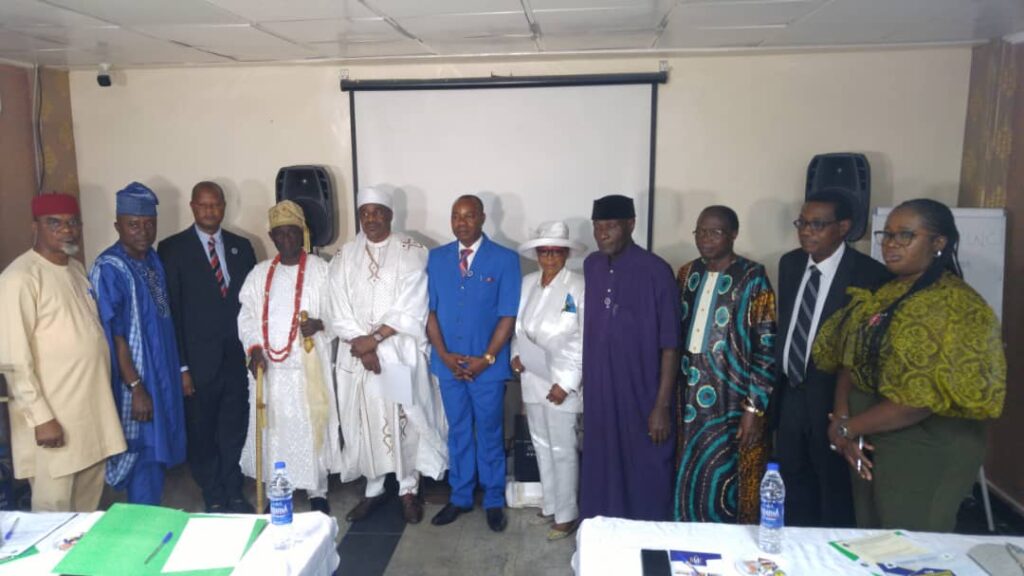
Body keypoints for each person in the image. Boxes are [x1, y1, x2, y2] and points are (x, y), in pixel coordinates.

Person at [814, 198, 1005, 532]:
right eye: (887, 235)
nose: (891, 244)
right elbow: (848, 357)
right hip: (870, 437)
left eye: (905, 235)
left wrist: (848, 429)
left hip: (926, 447)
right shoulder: (884, 292)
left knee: (911, 543)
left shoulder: (955, 305)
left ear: (938, 242)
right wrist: (842, 419)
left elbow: (919, 400)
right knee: (872, 538)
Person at [770, 189, 890, 528]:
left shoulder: (870, 275)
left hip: (835, 399)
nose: (807, 232)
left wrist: (846, 413)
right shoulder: (790, 264)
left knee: (833, 486)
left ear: (843, 227)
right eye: (802, 223)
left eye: (818, 224)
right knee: (792, 480)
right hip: (791, 391)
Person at [0, 194, 126, 512]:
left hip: (90, 416)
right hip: (54, 421)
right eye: (54, 223)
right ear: (35, 226)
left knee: (86, 511)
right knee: (53, 512)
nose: (66, 230)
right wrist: (42, 418)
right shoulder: (19, 278)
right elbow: (13, 360)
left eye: (72, 223)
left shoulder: (76, 269)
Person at [329, 187, 447, 525]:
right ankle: (374, 488)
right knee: (364, 421)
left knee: (403, 420)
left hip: (395, 355)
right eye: (364, 213)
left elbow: (413, 303)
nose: (371, 219)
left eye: (377, 212)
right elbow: (336, 305)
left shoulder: (412, 251)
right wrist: (361, 345)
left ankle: (408, 489)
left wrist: (376, 340)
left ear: (390, 215)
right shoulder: (344, 255)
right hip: (358, 357)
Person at [158, 181, 257, 513]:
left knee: (234, 427)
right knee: (201, 431)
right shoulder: (172, 249)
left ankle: (233, 489)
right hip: (197, 363)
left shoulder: (242, 247)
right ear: (192, 207)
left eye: (215, 204)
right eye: (203, 205)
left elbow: (252, 305)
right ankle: (212, 492)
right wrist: (182, 367)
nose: (210, 211)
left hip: (236, 361)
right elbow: (171, 312)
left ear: (224, 206)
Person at [580, 195, 680, 522]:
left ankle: (647, 540)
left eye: (611, 226)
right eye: (597, 226)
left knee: (646, 469)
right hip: (601, 393)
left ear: (631, 225)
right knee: (601, 466)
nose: (602, 234)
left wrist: (661, 406)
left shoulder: (656, 271)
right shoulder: (592, 266)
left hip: (641, 393)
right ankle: (601, 535)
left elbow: (670, 345)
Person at [238, 200, 341, 515]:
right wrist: (254, 349)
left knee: (312, 428)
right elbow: (247, 317)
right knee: (274, 431)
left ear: (303, 233)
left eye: (292, 232)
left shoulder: (321, 270)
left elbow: (340, 312)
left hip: (308, 370)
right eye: (279, 234)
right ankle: (276, 487)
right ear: (271, 237)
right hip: (271, 371)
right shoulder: (259, 275)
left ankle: (317, 490)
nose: (286, 239)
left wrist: (320, 324)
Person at [674, 205, 776, 524]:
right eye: (700, 231)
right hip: (688, 397)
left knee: (730, 478)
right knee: (689, 473)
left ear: (733, 234)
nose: (705, 238)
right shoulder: (686, 274)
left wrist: (754, 409)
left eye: (715, 232)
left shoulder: (753, 277)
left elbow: (766, 347)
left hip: (732, 400)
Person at [426, 195, 520, 532]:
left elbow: (507, 316)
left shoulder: (505, 260)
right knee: (458, 431)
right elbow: (429, 312)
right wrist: (443, 355)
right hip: (448, 365)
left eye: (468, 216)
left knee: (491, 432)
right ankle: (461, 496)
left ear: (482, 218)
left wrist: (487, 359)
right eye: (456, 216)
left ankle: (493, 499)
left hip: (487, 368)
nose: (461, 223)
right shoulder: (436, 259)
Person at [89, 182, 187, 505]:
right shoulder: (110, 268)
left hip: (161, 377)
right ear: (117, 225)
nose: (143, 232)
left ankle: (151, 520)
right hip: (136, 383)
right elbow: (114, 334)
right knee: (142, 456)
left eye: (149, 224)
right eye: (133, 225)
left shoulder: (152, 260)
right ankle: (141, 528)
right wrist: (135, 387)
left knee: (157, 455)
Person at [511, 221, 585, 541]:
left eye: (556, 252)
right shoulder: (528, 282)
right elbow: (518, 328)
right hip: (532, 376)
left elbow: (584, 338)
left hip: (561, 382)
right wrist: (516, 355)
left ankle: (567, 515)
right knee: (541, 444)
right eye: (544, 251)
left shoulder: (578, 285)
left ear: (566, 254)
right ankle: (551, 503)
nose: (550, 257)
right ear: (537, 254)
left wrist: (567, 382)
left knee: (563, 448)